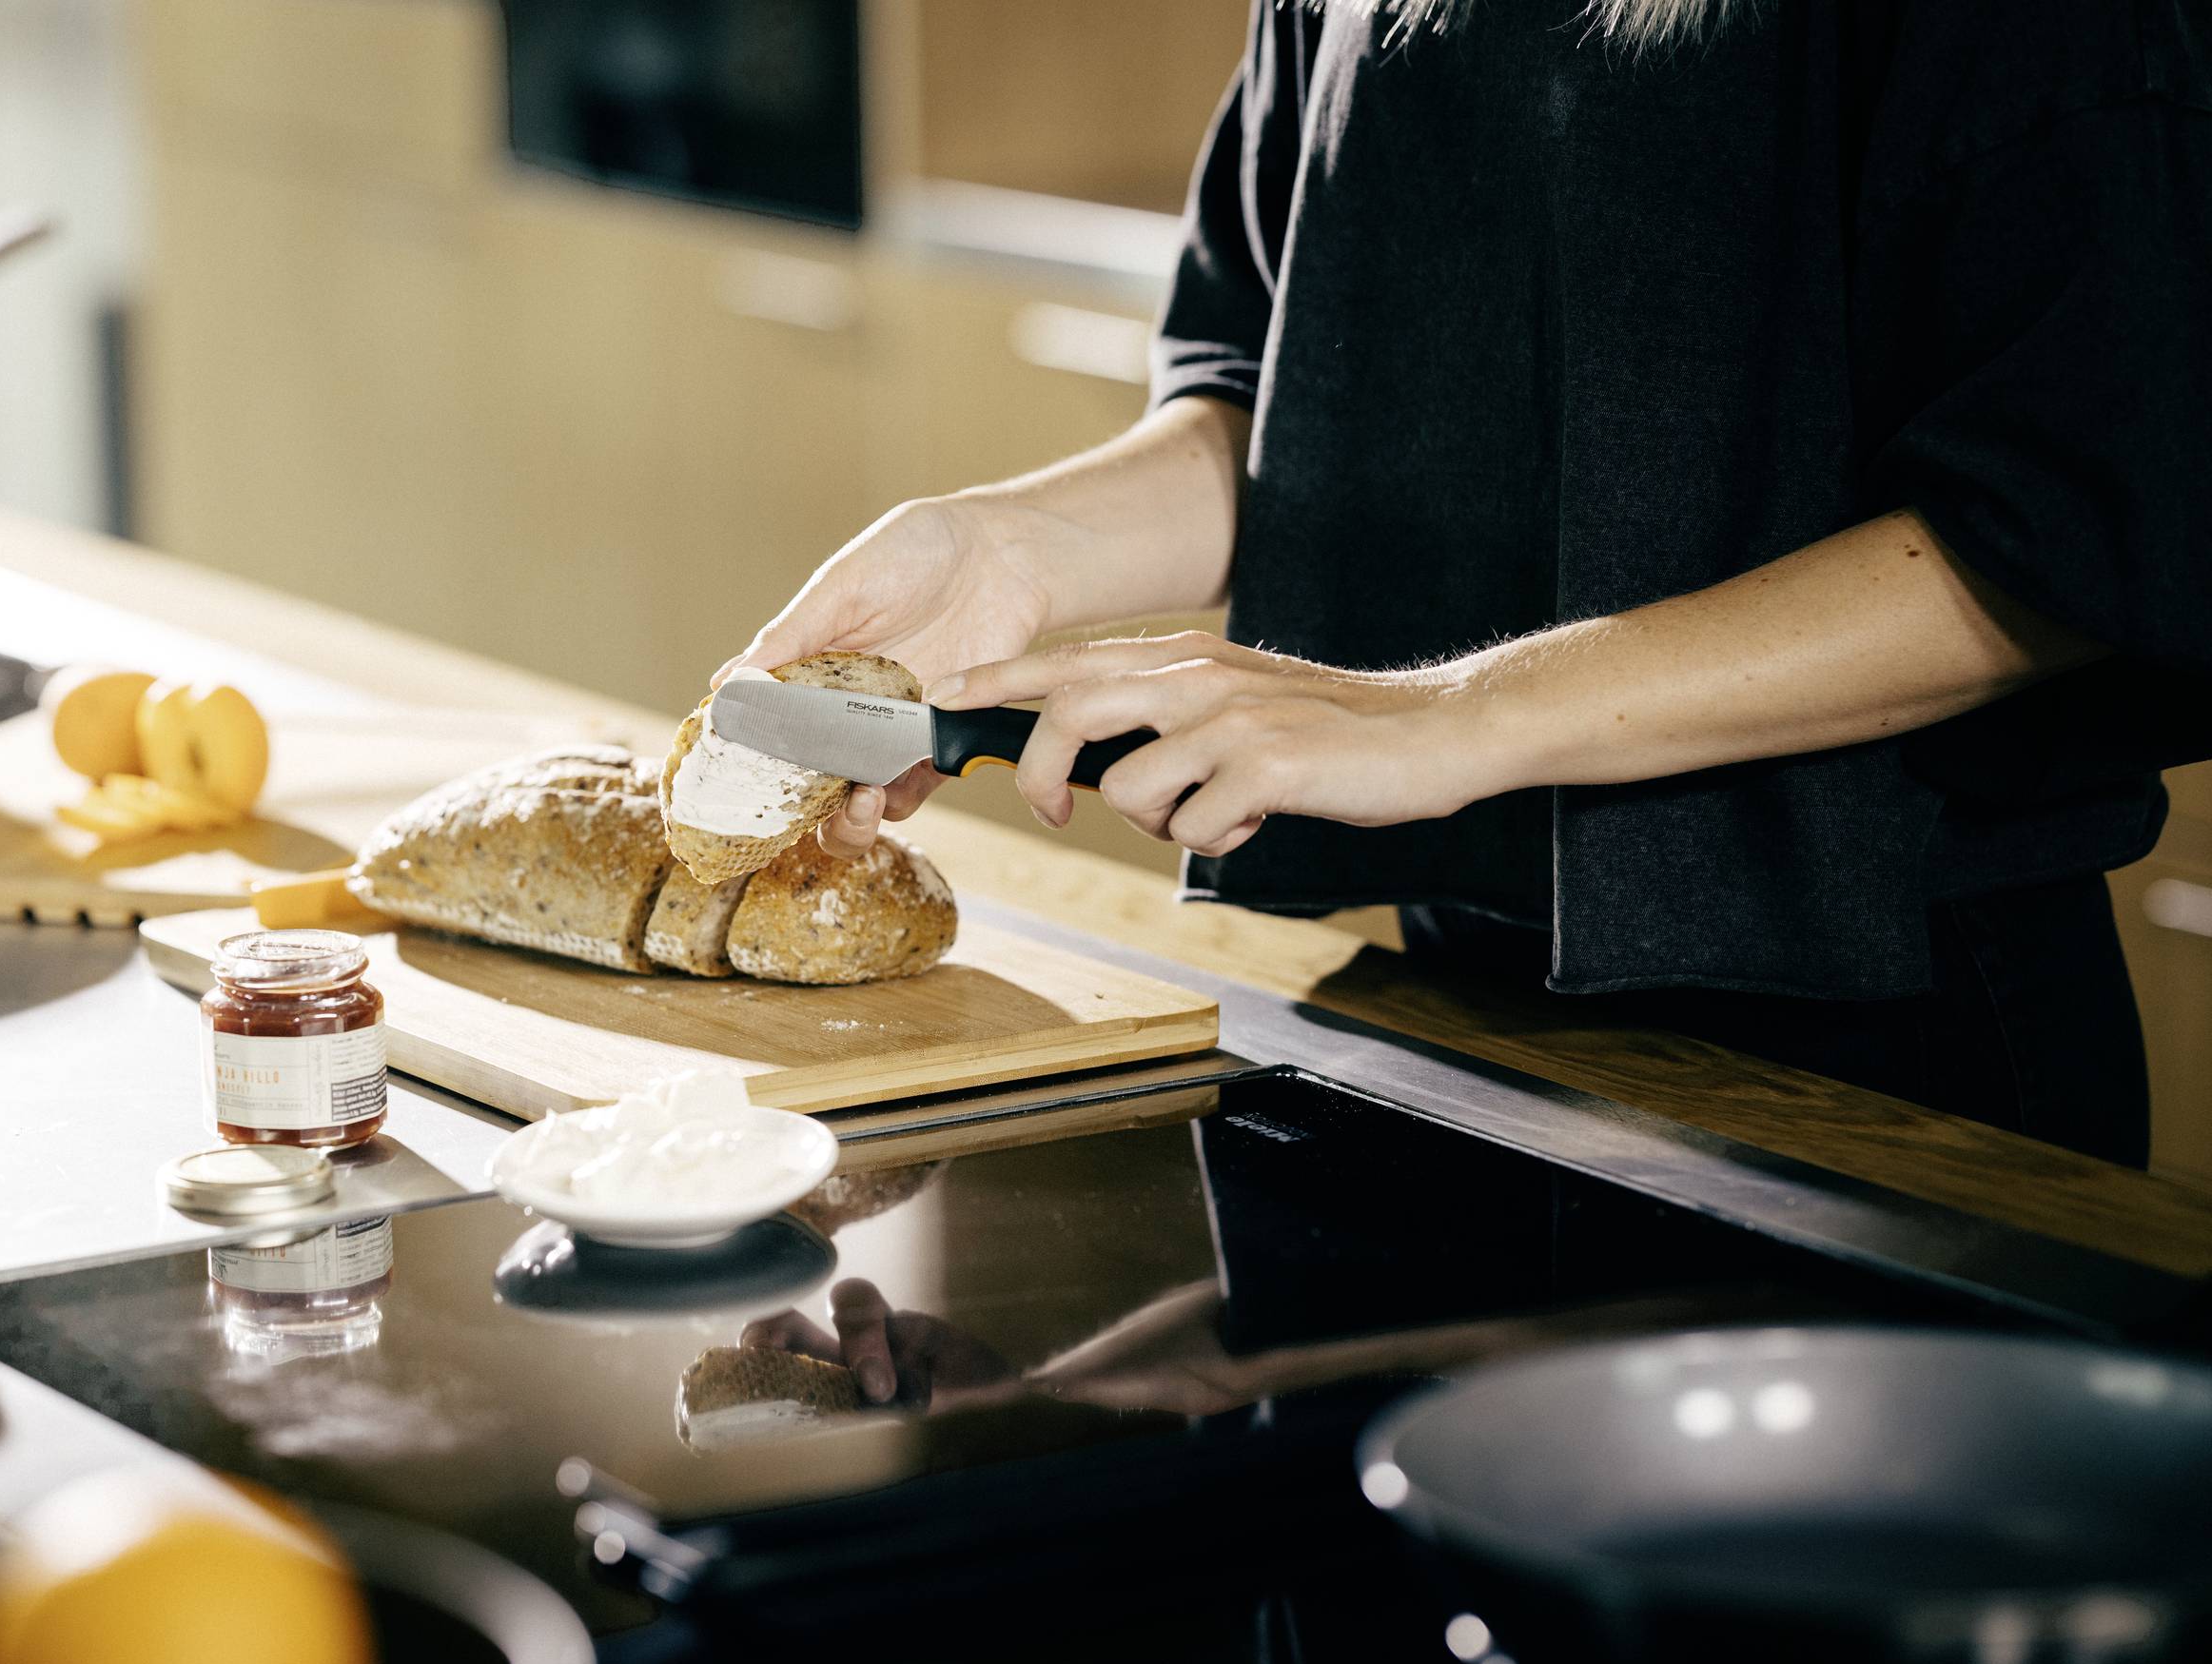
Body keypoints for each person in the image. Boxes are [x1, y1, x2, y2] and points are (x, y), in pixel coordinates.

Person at [723, 0, 2210, 1167]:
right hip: (1449, 992)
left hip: (1894, 1042)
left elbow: (2071, 526)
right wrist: (1009, 548)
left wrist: (1450, 715)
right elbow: (1285, 392)